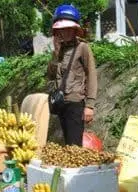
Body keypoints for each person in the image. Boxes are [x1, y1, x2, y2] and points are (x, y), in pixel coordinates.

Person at [47, 4, 98, 146]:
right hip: (60, 103)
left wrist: (90, 105)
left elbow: (92, 75)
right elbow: (50, 76)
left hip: (75, 104)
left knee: (74, 145)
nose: (66, 32)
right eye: (62, 29)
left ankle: (76, 169)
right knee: (68, 143)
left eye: (69, 28)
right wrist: (55, 56)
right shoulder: (59, 50)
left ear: (75, 29)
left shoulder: (83, 48)